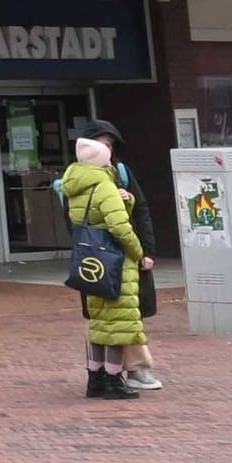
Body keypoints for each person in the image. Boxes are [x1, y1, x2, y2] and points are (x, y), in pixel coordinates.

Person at [54, 121, 163, 391]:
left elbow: (82, 220)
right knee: (120, 318)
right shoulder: (102, 184)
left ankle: (99, 376)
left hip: (90, 260)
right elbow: (119, 224)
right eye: (102, 144)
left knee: (105, 320)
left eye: (110, 145)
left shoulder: (74, 180)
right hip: (113, 257)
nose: (107, 150)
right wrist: (139, 251)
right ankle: (120, 376)